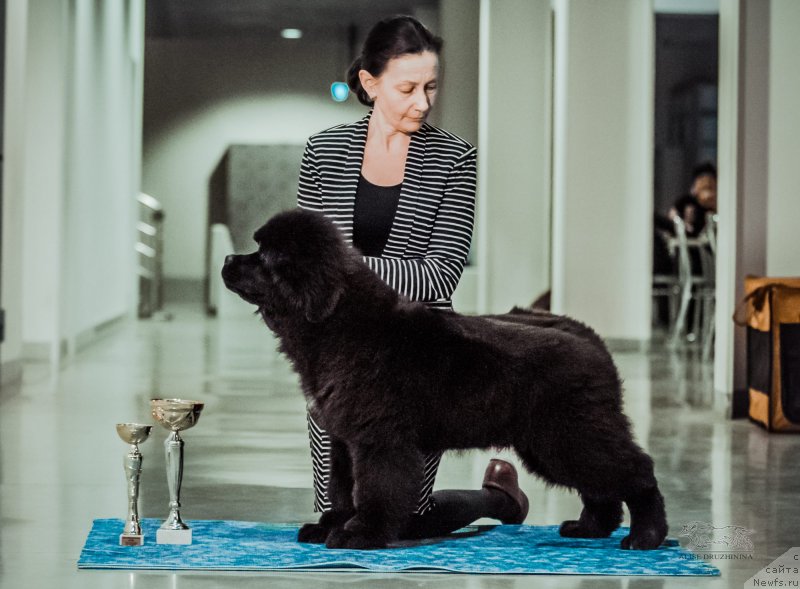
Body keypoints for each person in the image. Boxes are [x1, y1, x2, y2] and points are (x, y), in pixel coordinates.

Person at [295, 15, 528, 540]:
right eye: (407, 88)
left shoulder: (454, 157)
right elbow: (306, 268)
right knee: (340, 518)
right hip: (335, 358)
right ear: (369, 83)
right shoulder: (323, 152)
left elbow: (440, 275)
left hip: (419, 359)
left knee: (403, 518)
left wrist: (344, 270)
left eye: (431, 86)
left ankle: (499, 498)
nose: (422, 102)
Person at [668, 161, 717, 237]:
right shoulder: (687, 202)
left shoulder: (719, 206)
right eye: (702, 183)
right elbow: (672, 215)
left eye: (709, 186)